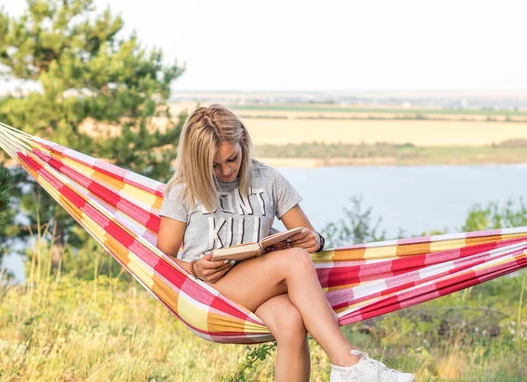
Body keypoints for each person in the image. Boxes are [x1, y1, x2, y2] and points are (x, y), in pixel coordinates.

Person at [157, 104, 414, 382]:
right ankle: (349, 365)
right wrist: (195, 268)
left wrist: (313, 240)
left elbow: (309, 235)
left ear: (243, 141)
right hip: (212, 292)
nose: (226, 171)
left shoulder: (267, 179)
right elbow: (161, 259)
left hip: (261, 284)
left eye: (232, 159)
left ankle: (350, 368)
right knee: (294, 260)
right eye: (214, 165)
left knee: (291, 322)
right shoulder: (183, 190)